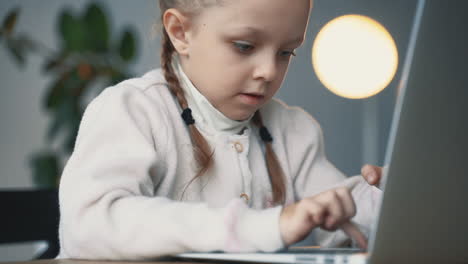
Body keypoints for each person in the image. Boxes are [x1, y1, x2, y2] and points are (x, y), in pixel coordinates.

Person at [57, 0, 383, 260]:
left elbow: (347, 226)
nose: (269, 71)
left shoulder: (294, 129)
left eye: (286, 52)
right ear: (180, 32)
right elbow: (90, 226)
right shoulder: (131, 109)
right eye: (244, 46)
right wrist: (255, 227)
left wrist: (390, 203)